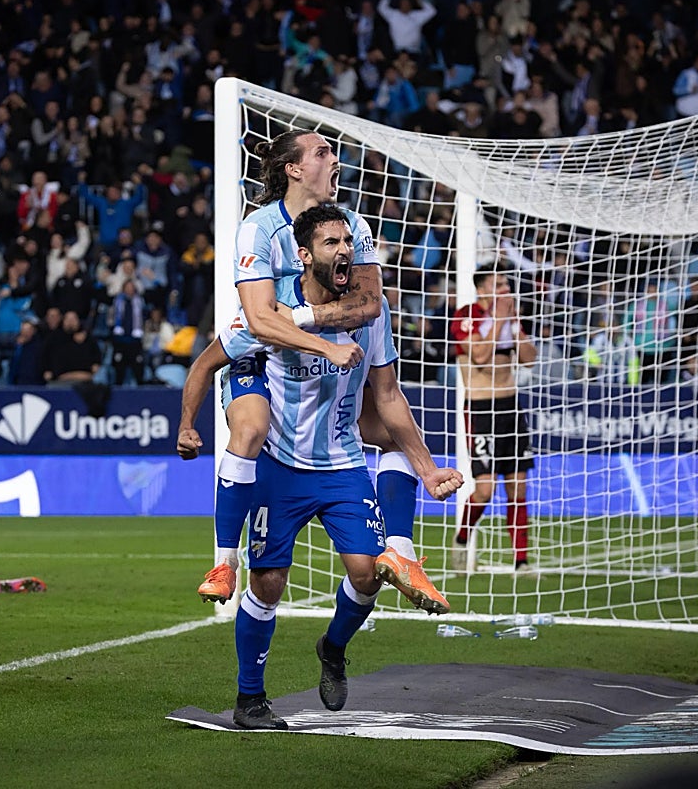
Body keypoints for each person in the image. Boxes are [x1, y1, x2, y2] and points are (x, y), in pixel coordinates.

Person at [212, 205, 462, 729]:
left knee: (368, 576)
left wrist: (428, 467)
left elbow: (388, 396)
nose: (344, 250)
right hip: (280, 465)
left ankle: (333, 646)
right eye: (330, 242)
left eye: (347, 241)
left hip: (343, 462)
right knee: (269, 583)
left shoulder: (374, 312)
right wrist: (192, 418)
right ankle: (249, 699)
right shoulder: (275, 311)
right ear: (304, 255)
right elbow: (214, 356)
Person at [189, 129, 445, 615]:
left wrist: (308, 322)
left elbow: (369, 302)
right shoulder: (260, 227)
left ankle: (402, 554)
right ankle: (223, 561)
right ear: (293, 168)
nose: (336, 160)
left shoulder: (352, 223)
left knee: (390, 428)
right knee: (250, 427)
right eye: (323, 153)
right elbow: (262, 318)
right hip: (267, 349)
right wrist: (316, 342)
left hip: (318, 334)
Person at [450, 269, 538, 573]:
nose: (505, 289)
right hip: (480, 409)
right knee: (485, 490)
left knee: (518, 487)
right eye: (499, 284)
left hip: (511, 407)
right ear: (483, 288)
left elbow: (529, 358)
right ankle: (462, 537)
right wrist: (500, 316)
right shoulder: (467, 315)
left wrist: (514, 326)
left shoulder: (509, 319)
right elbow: (481, 356)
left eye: (507, 285)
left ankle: (522, 559)